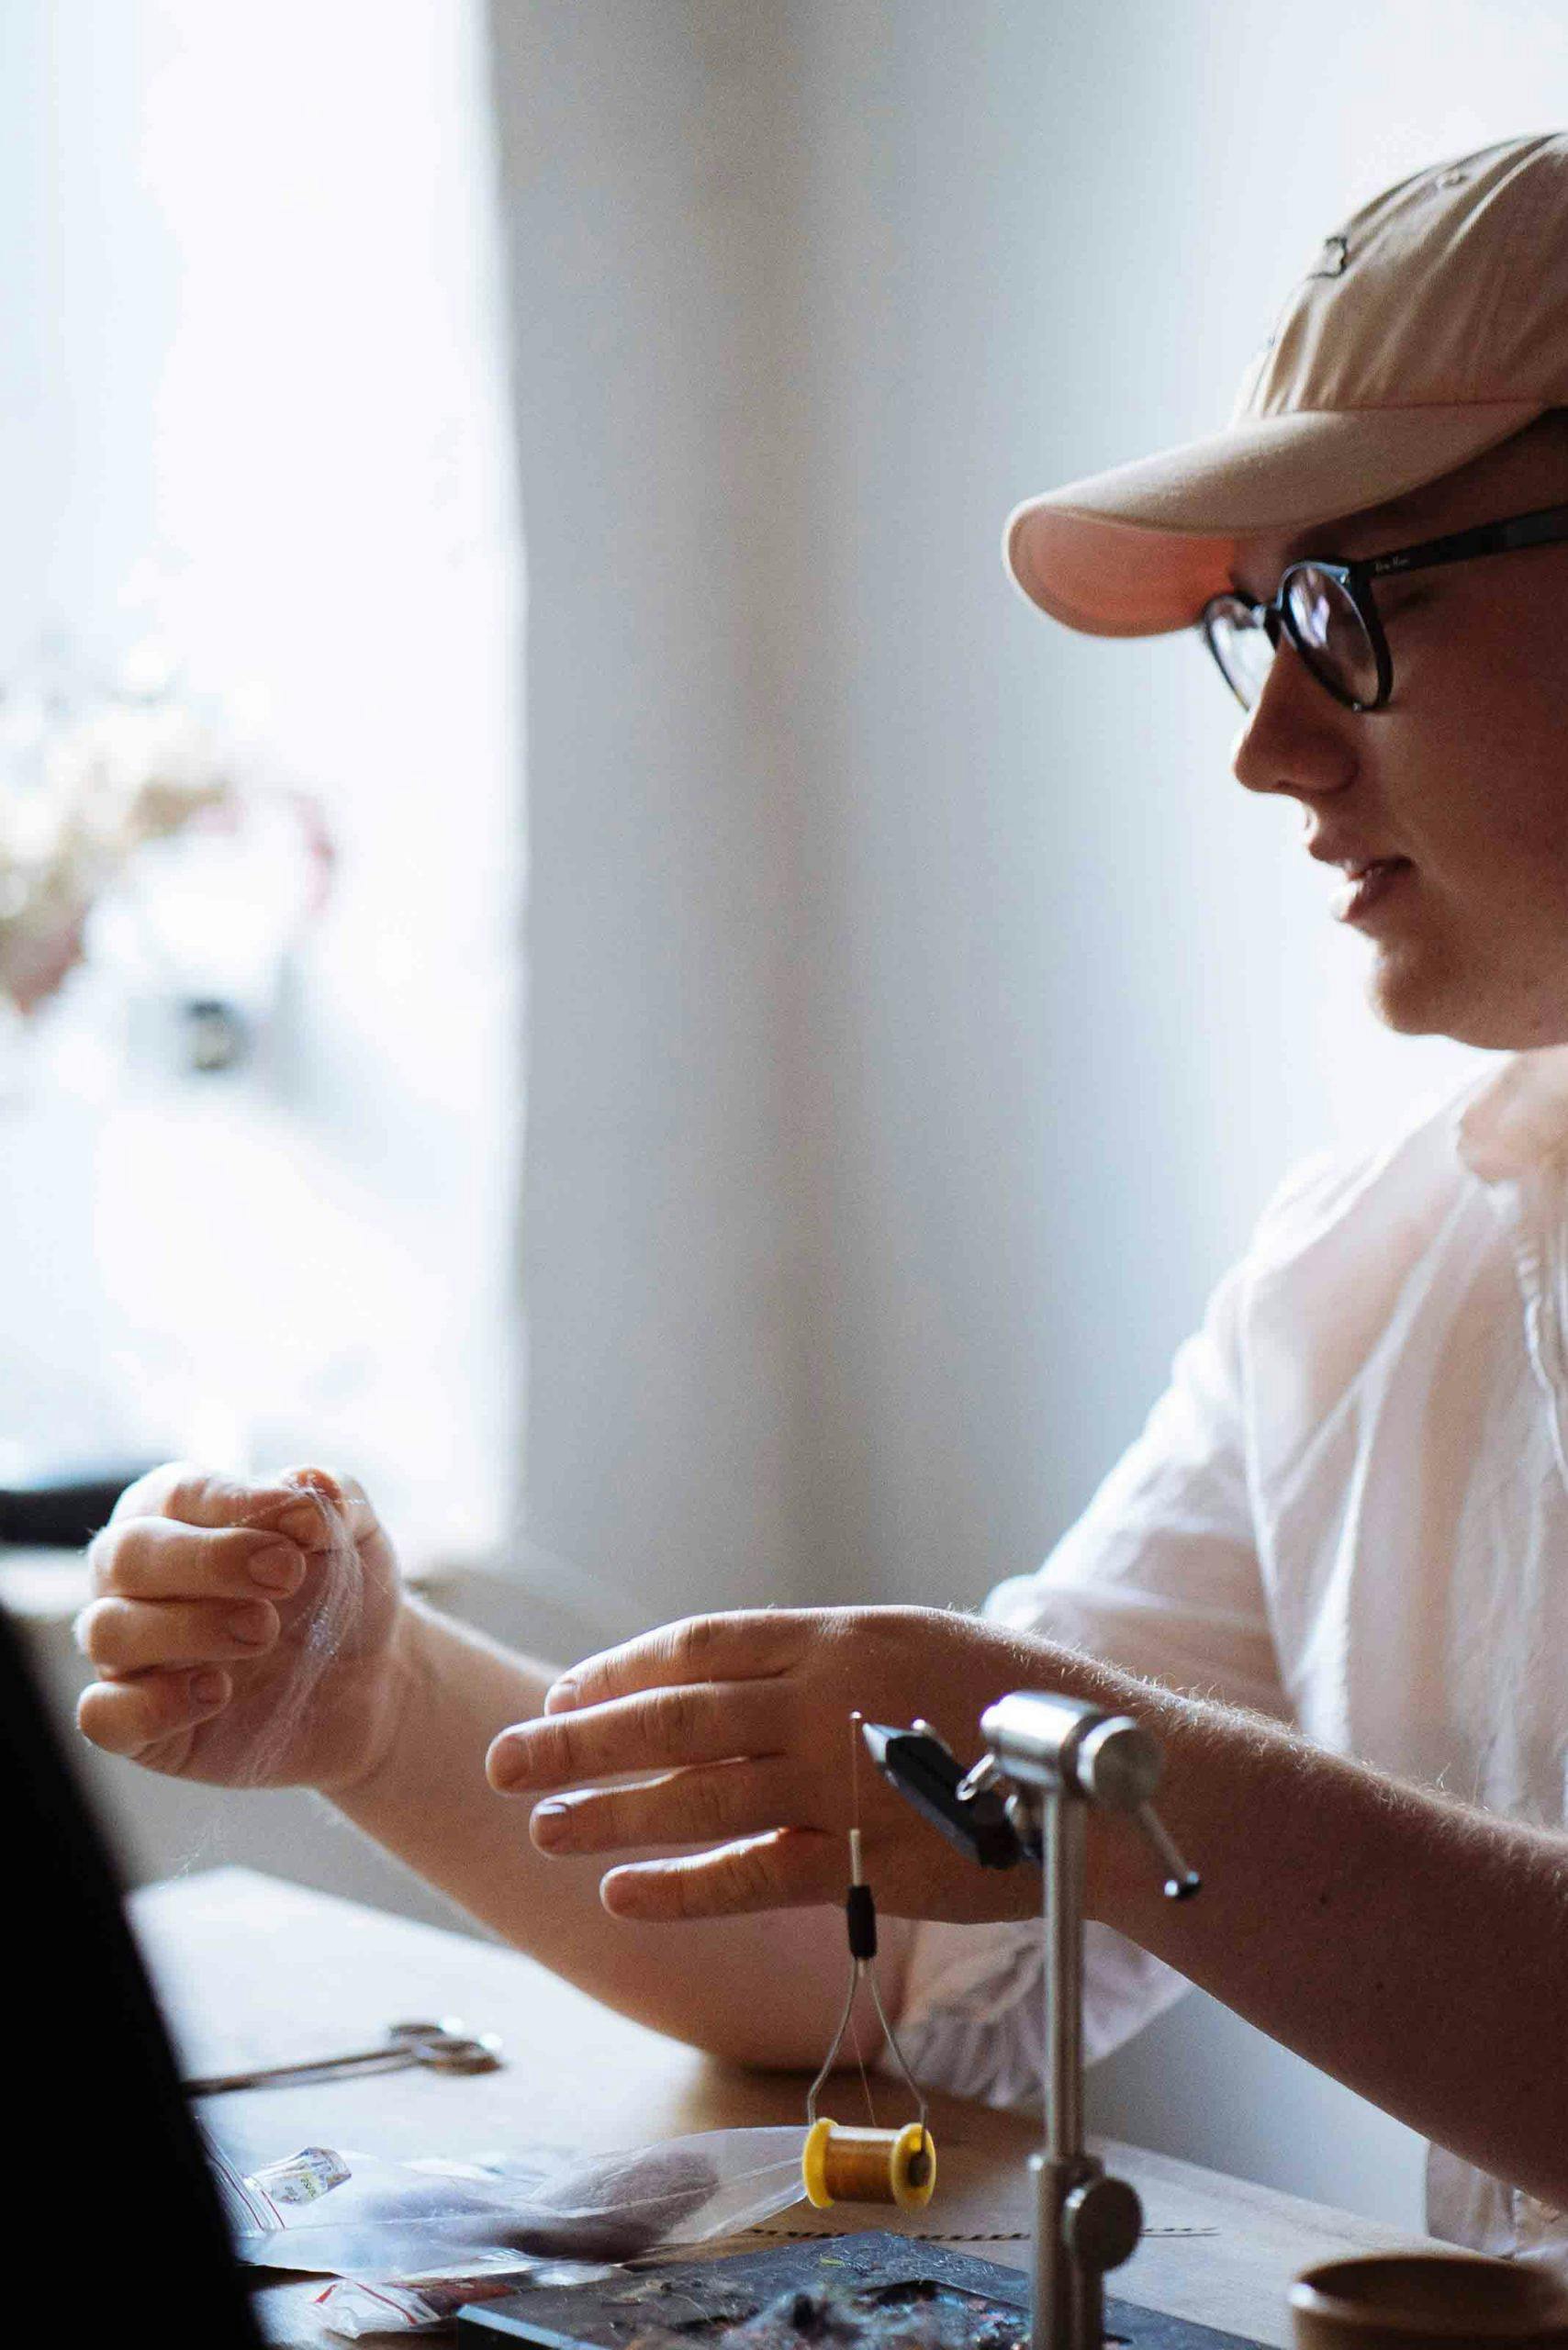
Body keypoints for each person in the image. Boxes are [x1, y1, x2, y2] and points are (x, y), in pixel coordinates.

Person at [75, 132, 1568, 2265]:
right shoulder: (1365, 1272)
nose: (1267, 745)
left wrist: (1112, 1779)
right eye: (1259, 625)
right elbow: (925, 1950)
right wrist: (379, 1702)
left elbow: (1062, 1817)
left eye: (1347, 603)